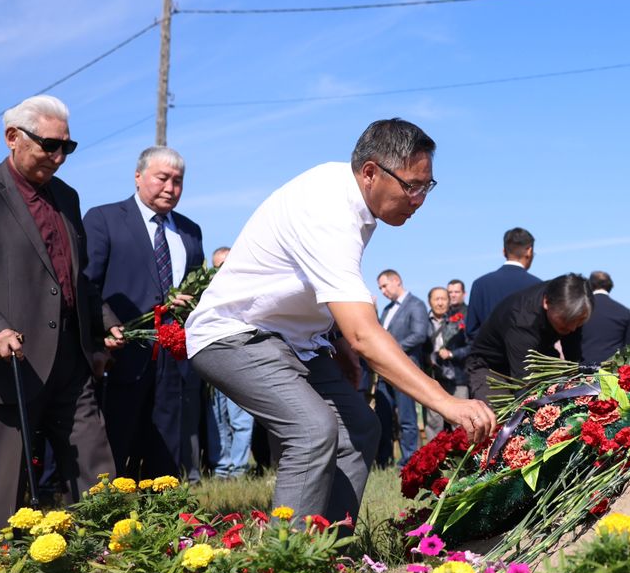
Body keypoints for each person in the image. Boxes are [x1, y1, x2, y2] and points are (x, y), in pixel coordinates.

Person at [185, 119, 494, 523]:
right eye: (412, 186)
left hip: (293, 341)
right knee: (312, 431)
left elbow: (332, 300)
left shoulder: (352, 203)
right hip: (235, 335)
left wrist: (342, 350)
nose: (419, 199)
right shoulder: (327, 208)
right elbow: (364, 333)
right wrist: (445, 401)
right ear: (370, 172)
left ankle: (330, 554)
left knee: (360, 428)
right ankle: (285, 570)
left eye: (427, 186)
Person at [0, 96, 117, 531]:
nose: (58, 157)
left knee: (99, 472)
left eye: (66, 148)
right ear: (12, 138)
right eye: (49, 146)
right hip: (5, 364)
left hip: (69, 361)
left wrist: (103, 326)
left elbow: (75, 277)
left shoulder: (66, 197)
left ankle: (115, 569)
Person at [84, 146, 206, 479]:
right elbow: (86, 283)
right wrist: (105, 328)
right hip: (120, 357)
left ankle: (160, 519)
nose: (171, 188)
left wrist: (189, 302)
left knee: (164, 453)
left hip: (172, 361)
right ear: (138, 177)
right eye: (162, 178)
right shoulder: (104, 219)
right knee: (114, 448)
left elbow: (197, 290)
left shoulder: (190, 231)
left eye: (178, 181)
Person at [465, 274, 592, 404]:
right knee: (498, 419)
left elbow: (574, 356)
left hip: (535, 358)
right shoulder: (522, 321)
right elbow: (525, 386)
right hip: (491, 368)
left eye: (579, 321)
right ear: (546, 302)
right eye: (566, 320)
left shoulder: (569, 298)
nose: (572, 328)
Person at [203, 245, 252, 479]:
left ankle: (239, 468)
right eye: (218, 266)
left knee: (240, 419)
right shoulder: (207, 293)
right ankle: (221, 468)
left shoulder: (248, 290)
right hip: (215, 362)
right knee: (218, 420)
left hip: (241, 363)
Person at [374, 269, 429, 466]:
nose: (382, 291)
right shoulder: (387, 310)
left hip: (405, 370)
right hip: (384, 372)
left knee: (407, 419)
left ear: (396, 280)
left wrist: (390, 350)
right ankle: (384, 460)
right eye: (380, 287)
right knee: (383, 418)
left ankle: (409, 461)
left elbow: (419, 335)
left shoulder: (416, 305)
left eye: (384, 285)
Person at [464, 227, 538, 338]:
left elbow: (471, 330)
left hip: (489, 353)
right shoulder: (538, 287)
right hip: (526, 353)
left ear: (504, 251)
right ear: (529, 251)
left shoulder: (480, 284)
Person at [422, 285, 469, 441]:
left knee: (461, 420)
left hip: (457, 378)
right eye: (437, 299)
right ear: (430, 301)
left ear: (449, 301)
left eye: (444, 299)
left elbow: (471, 347)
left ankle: (463, 459)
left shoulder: (460, 321)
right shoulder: (422, 323)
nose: (440, 303)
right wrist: (427, 357)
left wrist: (451, 354)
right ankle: (433, 461)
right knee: (433, 422)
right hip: (432, 378)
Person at [578, 270, 630, 366]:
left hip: (584, 370)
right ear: (610, 286)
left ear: (589, 286)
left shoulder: (580, 310)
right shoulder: (624, 312)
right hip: (612, 371)